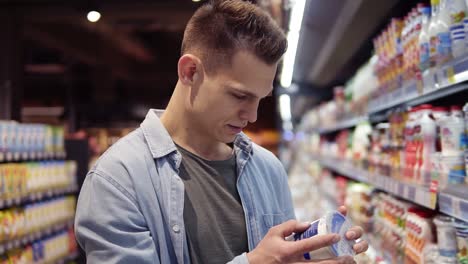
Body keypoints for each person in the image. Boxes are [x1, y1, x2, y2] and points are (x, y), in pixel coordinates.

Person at [74, 0, 369, 263]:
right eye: (240, 96)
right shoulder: (116, 180)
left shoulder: (267, 169)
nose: (252, 116)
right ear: (190, 72)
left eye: (260, 99)